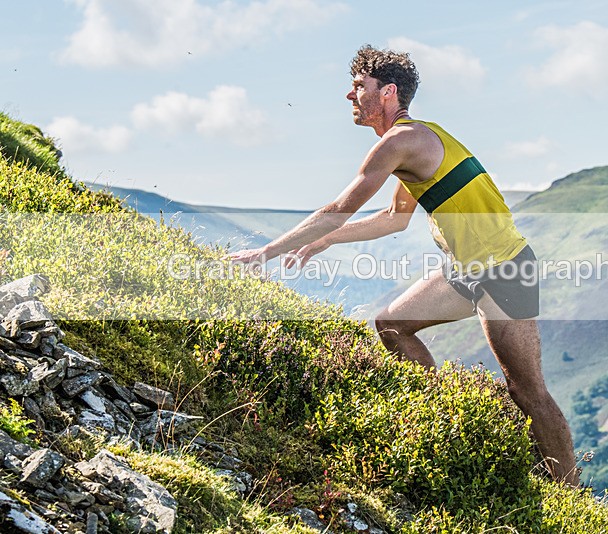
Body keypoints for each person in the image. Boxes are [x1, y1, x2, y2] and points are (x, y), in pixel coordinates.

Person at [226, 44, 578, 486]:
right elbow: (394, 219)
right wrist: (327, 241)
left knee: (527, 392)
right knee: (391, 325)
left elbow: (339, 206)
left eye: (359, 87)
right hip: (462, 270)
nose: (350, 96)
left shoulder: (402, 141)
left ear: (388, 92)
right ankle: (449, 427)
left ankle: (569, 492)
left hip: (504, 269)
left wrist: (266, 252)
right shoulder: (411, 145)